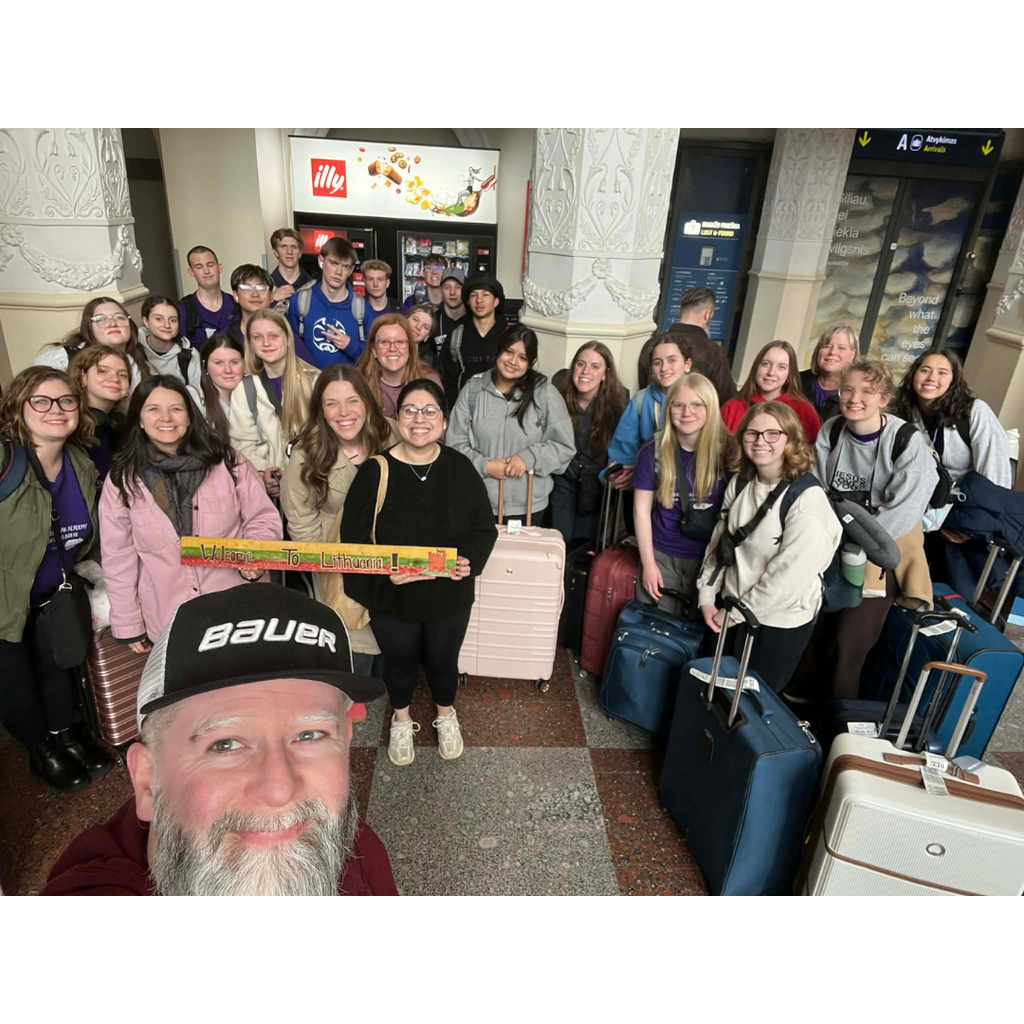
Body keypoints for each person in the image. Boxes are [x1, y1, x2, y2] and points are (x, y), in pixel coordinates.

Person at [42, 585, 398, 896]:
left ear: (346, 744)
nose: (279, 791)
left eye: (310, 735)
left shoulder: (359, 851)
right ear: (148, 781)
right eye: (225, 744)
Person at [341, 379, 497, 766]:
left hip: (449, 595)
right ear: (398, 418)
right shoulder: (374, 473)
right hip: (393, 597)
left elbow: (484, 529)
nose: (420, 419)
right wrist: (383, 576)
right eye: (410, 409)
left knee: (444, 661)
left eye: (430, 411)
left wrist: (469, 561)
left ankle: (445, 714)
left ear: (443, 421)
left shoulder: (459, 468)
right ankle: (401, 718)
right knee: (400, 662)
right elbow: (353, 544)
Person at [100, 375, 282, 651]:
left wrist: (256, 554)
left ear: (189, 416)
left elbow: (262, 518)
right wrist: (128, 624)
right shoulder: (122, 481)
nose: (166, 417)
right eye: (153, 409)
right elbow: (118, 557)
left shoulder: (228, 462)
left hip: (240, 614)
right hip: (169, 622)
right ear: (139, 419)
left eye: (176, 408)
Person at [0, 366, 112, 791]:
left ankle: (66, 735)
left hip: (52, 596)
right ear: (20, 406)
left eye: (66, 400)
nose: (56, 410)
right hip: (6, 604)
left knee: (58, 673)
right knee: (16, 686)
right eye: (41, 401)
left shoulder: (81, 464)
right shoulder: (5, 460)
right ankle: (40, 750)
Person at [811, 359, 938, 700]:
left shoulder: (906, 442)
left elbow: (904, 511)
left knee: (848, 644)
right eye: (848, 390)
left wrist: (854, 540)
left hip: (881, 552)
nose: (855, 398)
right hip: (833, 544)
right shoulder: (832, 431)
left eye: (867, 392)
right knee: (812, 632)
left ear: (884, 398)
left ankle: (838, 723)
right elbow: (817, 490)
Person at [698, 401, 842, 693]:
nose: (760, 441)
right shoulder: (740, 483)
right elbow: (720, 545)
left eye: (772, 434)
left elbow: (788, 576)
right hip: (729, 609)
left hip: (778, 621)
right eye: (752, 434)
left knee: (753, 701)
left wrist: (737, 613)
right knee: (714, 695)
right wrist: (706, 595)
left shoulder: (807, 499)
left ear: (790, 440)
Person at [281, 364, 399, 672]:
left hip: (390, 558)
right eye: (331, 403)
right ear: (320, 409)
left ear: (367, 402)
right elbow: (300, 519)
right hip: (336, 560)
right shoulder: (307, 453)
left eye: (352, 400)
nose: (343, 412)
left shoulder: (391, 434)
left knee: (395, 647)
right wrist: (331, 566)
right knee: (355, 651)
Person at [892, 348, 1013, 593]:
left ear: (954, 379)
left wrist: (966, 524)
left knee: (950, 587)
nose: (931, 378)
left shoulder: (974, 412)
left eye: (942, 372)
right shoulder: (902, 411)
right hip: (917, 510)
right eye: (924, 370)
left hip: (964, 516)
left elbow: (995, 479)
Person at [449, 325, 575, 522]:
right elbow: (454, 445)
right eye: (509, 352)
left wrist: (529, 458)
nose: (513, 362)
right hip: (478, 501)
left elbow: (564, 447)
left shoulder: (544, 393)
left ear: (530, 362)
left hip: (529, 505)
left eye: (522, 357)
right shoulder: (473, 390)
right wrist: (485, 465)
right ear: (498, 350)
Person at [635, 373, 736, 618]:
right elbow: (641, 510)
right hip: (661, 554)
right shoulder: (654, 449)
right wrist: (648, 564)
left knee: (695, 633)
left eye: (696, 405)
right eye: (678, 405)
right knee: (654, 627)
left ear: (709, 407)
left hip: (708, 558)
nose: (686, 413)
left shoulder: (729, 450)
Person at [229, 309, 318, 500]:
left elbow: (325, 438)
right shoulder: (244, 390)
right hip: (268, 489)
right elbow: (242, 444)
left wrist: (300, 475)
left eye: (273, 336)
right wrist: (264, 473)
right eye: (258, 337)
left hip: (312, 483)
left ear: (287, 338)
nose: (266, 343)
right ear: (251, 344)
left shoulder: (316, 381)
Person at [550, 342, 627, 546]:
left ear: (605, 373)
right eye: (581, 364)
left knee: (587, 551)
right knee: (558, 545)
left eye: (595, 366)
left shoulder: (618, 406)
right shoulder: (555, 397)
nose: (586, 371)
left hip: (597, 489)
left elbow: (623, 449)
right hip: (561, 486)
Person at [604, 332, 694, 493]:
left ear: (687, 364)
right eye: (657, 362)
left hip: (687, 485)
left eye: (671, 360)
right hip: (645, 484)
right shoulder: (641, 400)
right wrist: (622, 471)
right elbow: (624, 445)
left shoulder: (702, 399)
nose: (664, 368)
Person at [639, 288, 737, 404]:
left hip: (652, 417)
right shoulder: (714, 352)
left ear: (680, 312)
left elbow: (644, 387)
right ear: (707, 314)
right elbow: (726, 401)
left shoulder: (651, 344)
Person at [35, 295, 148, 390]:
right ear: (88, 327)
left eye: (119, 317)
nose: (112, 323)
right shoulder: (61, 358)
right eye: (100, 319)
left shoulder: (139, 363)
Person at [285, 236, 363, 370]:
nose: (338, 272)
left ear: (350, 271)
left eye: (345, 267)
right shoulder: (300, 301)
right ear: (321, 261)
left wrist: (350, 345)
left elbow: (374, 355)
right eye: (333, 263)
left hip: (347, 385)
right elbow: (289, 346)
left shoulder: (362, 308)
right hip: (307, 384)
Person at [721, 341, 821, 444]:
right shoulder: (732, 407)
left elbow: (811, 454)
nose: (771, 372)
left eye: (781, 367)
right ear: (756, 368)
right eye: (765, 364)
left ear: (789, 374)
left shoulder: (804, 410)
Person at [356, 313, 443, 419]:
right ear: (374, 350)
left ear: (410, 349)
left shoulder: (429, 381)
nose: (392, 349)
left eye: (400, 342)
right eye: (384, 342)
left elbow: (438, 428)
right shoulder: (359, 382)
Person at [437, 272, 504, 408]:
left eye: (485, 295)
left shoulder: (508, 336)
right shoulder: (456, 336)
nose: (479, 300)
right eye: (473, 295)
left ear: (496, 301)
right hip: (464, 410)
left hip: (501, 410)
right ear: (467, 301)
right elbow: (448, 380)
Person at [68, 344, 131, 488]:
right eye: (103, 371)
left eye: (122, 375)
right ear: (83, 378)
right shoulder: (68, 424)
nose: (115, 379)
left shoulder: (120, 426)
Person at [138, 295, 204, 410]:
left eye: (173, 320)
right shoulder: (135, 350)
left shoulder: (189, 356)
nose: (167, 325)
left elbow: (198, 398)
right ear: (146, 321)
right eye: (159, 319)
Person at [177, 246, 240, 348]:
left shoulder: (236, 305)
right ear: (191, 272)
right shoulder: (184, 310)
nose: (206, 271)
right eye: (199, 267)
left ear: (219, 267)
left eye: (210, 265)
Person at [801, 325, 859, 423]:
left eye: (841, 348)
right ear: (818, 351)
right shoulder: (795, 381)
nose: (832, 352)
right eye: (827, 346)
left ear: (852, 355)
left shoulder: (857, 393)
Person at [199, 333, 246, 441]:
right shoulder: (194, 398)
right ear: (204, 366)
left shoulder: (256, 393)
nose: (228, 370)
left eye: (234, 362)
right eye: (219, 363)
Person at [227, 264, 274, 347]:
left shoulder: (284, 334)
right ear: (235, 296)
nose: (255, 294)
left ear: (271, 296)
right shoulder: (225, 338)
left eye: (261, 288)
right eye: (246, 288)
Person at [269, 227, 312, 304]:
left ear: (300, 252)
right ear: (275, 252)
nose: (289, 252)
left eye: (294, 247)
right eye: (284, 246)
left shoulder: (314, 286)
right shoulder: (266, 286)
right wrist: (271, 298)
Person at [361, 259, 399, 335]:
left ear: (387, 283)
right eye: (370, 279)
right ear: (365, 282)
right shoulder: (357, 308)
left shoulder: (399, 310)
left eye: (380, 279)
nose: (375, 284)